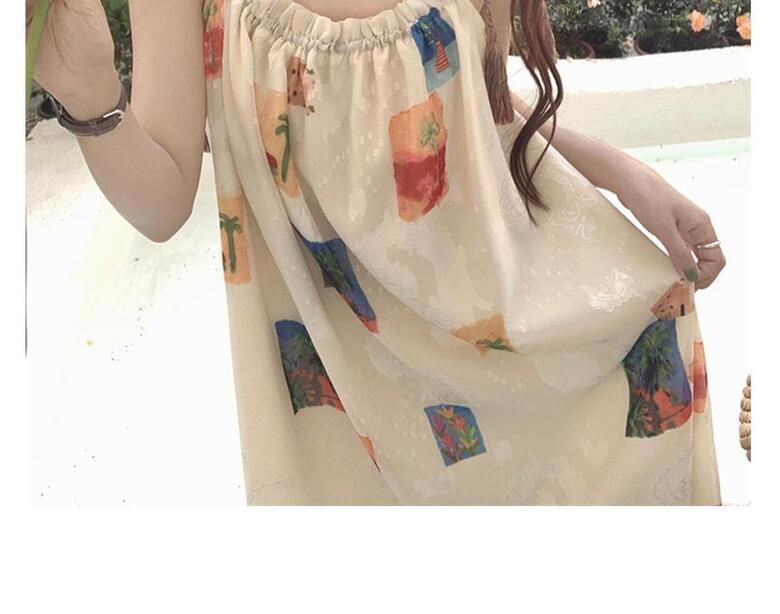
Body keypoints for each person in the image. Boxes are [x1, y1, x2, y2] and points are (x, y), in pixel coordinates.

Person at [29, 0, 726, 504]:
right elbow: (161, 205)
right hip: (341, 412)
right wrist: (90, 93)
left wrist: (626, 176)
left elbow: (484, 110)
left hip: (511, 354)